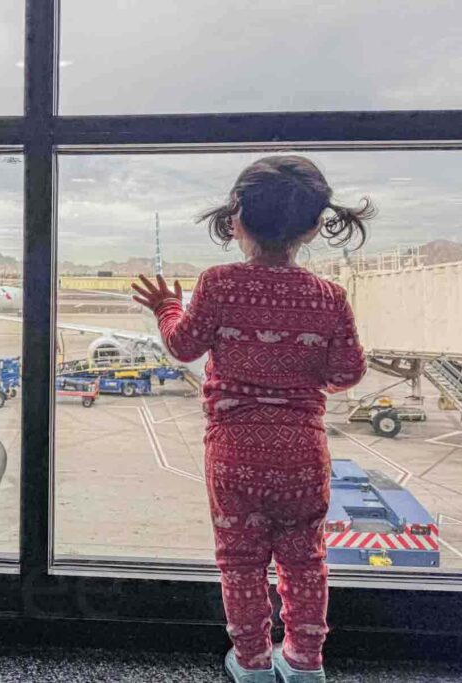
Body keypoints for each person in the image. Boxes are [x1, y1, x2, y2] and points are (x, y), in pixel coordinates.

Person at [132, 155, 372, 683]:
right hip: (303, 455)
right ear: (314, 227)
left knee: (240, 564)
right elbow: (348, 372)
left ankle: (253, 662)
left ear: (235, 218)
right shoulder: (330, 297)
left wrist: (167, 309)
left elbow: (183, 347)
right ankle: (307, 663)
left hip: (234, 453)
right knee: (305, 561)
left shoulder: (218, 284)